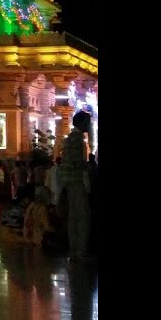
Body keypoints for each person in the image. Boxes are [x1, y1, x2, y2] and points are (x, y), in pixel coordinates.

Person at [59, 111, 94, 260]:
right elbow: (77, 162)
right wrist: (89, 166)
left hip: (69, 181)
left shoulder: (71, 138)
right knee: (82, 216)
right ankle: (80, 250)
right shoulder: (78, 139)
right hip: (76, 180)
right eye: (88, 122)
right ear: (82, 123)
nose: (90, 125)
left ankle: (74, 249)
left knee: (73, 216)